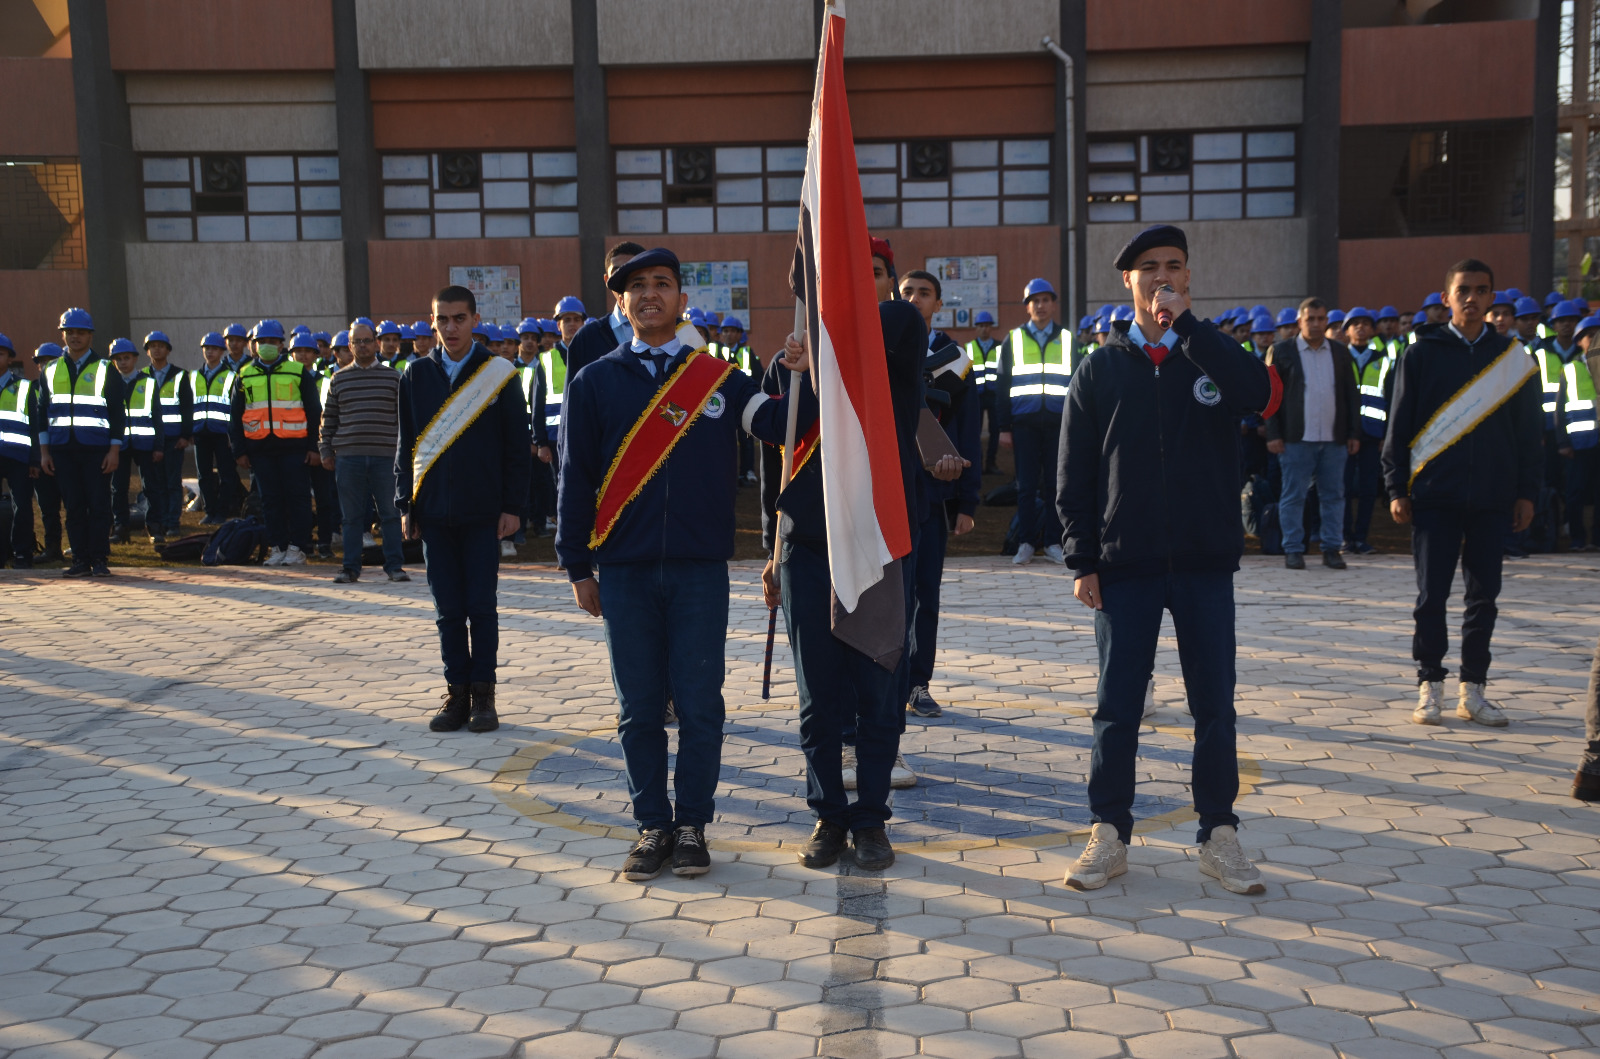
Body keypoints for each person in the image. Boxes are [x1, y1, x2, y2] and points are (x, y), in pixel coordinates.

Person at [556, 248, 805, 882]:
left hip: (699, 570)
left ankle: (691, 825)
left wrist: (797, 371)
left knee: (699, 705)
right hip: (625, 571)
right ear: (621, 303)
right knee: (638, 708)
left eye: (661, 285)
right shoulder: (593, 382)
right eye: (635, 287)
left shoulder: (718, 379)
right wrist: (577, 566)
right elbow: (575, 481)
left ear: (681, 302)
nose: (648, 295)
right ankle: (650, 826)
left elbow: (779, 424)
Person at [1057, 224, 1276, 895]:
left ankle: (1219, 832)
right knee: (1117, 704)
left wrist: (1195, 333)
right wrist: (1082, 558)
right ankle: (1110, 831)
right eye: (1149, 268)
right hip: (1126, 565)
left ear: (1187, 278)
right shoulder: (1101, 367)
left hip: (1206, 561)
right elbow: (1075, 473)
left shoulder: (1209, 355)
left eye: (1174, 266)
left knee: (1215, 704)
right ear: (1127, 281)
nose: (1162, 277)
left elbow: (1257, 395)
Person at [1383, 259, 1541, 728]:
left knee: (1483, 596)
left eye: (1481, 290)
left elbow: (1530, 435)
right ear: (1446, 297)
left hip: (1493, 497)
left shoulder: (1514, 359)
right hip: (1435, 495)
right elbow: (1400, 426)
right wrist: (1396, 486)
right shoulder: (1421, 354)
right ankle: (1429, 685)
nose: (1472, 298)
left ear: (1493, 298)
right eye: (1463, 290)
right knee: (1432, 596)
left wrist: (1527, 492)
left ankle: (1473, 690)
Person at [397, 286, 530, 734]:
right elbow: (407, 446)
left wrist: (513, 506)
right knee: (447, 609)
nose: (450, 327)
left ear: (475, 320)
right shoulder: (414, 375)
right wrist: (405, 504)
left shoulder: (500, 374)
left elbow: (516, 447)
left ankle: (484, 697)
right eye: (443, 320)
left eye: (459, 318)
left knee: (481, 607)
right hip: (433, 513)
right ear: (432, 321)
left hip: (482, 513)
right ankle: (456, 694)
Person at [898, 269, 980, 720]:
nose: (914, 299)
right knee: (889, 593)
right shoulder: (880, 351)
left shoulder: (956, 362)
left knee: (925, 593)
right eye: (906, 292)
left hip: (931, 499)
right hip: (885, 494)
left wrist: (966, 502)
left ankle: (917, 682)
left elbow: (968, 435)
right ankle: (883, 680)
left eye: (923, 293)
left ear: (938, 304)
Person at [1265, 298, 1361, 570]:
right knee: (1294, 495)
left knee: (1334, 495)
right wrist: (1273, 434)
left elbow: (1351, 396)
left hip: (1334, 438)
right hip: (1295, 438)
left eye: (1321, 319)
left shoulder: (1341, 352)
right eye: (1311, 319)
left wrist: (1354, 432)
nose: (1317, 324)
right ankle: (1293, 549)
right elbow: (1271, 396)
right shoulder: (1281, 351)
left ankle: (1332, 548)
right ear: (1300, 322)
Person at [39, 308, 126, 577]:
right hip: (62, 450)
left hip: (96, 450)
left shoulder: (105, 369)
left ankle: (99, 559)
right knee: (73, 506)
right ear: (63, 335)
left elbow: (117, 413)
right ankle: (79, 560)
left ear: (90, 336)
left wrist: (114, 450)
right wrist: (44, 453)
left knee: (98, 505)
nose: (74, 337)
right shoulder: (51, 370)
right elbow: (42, 414)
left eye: (80, 332)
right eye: (70, 332)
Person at [321, 319, 408, 584]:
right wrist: (325, 450)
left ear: (376, 343)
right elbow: (329, 418)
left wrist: (404, 454)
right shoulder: (338, 378)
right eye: (356, 341)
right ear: (349, 345)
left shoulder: (394, 377)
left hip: (385, 458)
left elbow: (405, 419)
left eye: (367, 340)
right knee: (351, 518)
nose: (362, 345)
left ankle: (394, 566)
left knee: (390, 515)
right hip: (349, 457)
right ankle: (350, 568)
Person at [995, 277, 1073, 566]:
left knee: (1056, 486)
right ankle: (1026, 543)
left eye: (1045, 300)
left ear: (1053, 304)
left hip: (1058, 424)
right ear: (1027, 307)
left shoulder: (1067, 339)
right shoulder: (1013, 340)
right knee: (1026, 486)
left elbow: (1076, 385)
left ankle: (1053, 542)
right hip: (1024, 424)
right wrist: (1003, 427)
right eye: (1034, 301)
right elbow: (1002, 386)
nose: (1040, 306)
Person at [230, 319, 320, 566]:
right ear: (254, 346)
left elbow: (314, 412)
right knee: (269, 500)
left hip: (295, 449)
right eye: (262, 342)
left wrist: (314, 447)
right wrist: (239, 450)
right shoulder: (244, 375)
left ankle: (298, 547)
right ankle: (277, 547)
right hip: (260, 450)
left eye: (272, 342)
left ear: (282, 345)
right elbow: (235, 416)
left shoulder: (298, 372)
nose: (267, 346)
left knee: (297, 499)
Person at [1342, 307, 1392, 555]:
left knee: (1368, 488)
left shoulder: (1383, 359)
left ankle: (1361, 537)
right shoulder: (1338, 356)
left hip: (1373, 433)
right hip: (1344, 433)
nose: (1360, 327)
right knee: (1342, 487)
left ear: (1373, 330)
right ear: (1347, 330)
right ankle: (1344, 537)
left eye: (1365, 323)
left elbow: (1391, 397)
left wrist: (1386, 433)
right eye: (1355, 323)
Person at [564, 241, 647, 378]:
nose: (623, 277)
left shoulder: (674, 330)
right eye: (617, 271)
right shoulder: (586, 338)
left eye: (632, 270)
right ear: (606, 280)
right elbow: (574, 397)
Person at [140, 331, 193, 544]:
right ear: (147, 351)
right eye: (152, 346)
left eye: (161, 346)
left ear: (168, 350)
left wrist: (186, 435)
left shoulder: (179, 375)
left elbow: (188, 407)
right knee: (155, 483)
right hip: (150, 438)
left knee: (172, 483)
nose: (157, 349)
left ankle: (173, 523)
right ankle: (159, 522)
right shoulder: (141, 376)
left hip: (173, 438)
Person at [109, 338, 157, 544]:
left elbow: (157, 416)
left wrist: (159, 445)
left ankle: (154, 525)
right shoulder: (109, 384)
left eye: (126, 358)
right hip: (119, 444)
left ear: (135, 358)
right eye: (118, 359)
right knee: (118, 487)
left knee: (151, 486)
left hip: (145, 443)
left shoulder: (148, 382)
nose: (122, 362)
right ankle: (121, 526)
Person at [0, 333, 42, 568]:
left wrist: (35, 460)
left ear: (9, 358)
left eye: (1, 353)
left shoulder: (24, 388)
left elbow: (34, 427)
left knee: (23, 507)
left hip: (18, 457)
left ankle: (22, 553)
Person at [1560, 313, 1599, 550]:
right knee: (1575, 492)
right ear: (1579, 341)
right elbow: (1558, 408)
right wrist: (1563, 442)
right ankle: (1577, 539)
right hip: (1579, 443)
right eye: (1590, 335)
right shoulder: (1571, 370)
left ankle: (1597, 539)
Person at [191, 333, 239, 524]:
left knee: (227, 474)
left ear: (221, 352)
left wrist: (232, 433)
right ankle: (209, 511)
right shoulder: (193, 376)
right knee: (203, 474)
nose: (209, 352)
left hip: (223, 434)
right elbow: (188, 406)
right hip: (200, 432)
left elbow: (236, 408)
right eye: (206, 348)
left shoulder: (231, 376)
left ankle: (222, 511)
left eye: (214, 349)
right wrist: (190, 431)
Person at [29, 342, 64, 562]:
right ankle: (53, 548)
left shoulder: (66, 387)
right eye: (41, 362)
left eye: (49, 361)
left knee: (76, 504)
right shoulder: (28, 390)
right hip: (39, 457)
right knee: (47, 506)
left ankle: (84, 548)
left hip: (67, 453)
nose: (44, 365)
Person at [967, 311, 1002, 474]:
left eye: (987, 326)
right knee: (975, 431)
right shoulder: (969, 348)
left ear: (991, 327)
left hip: (994, 396)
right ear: (976, 329)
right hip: (977, 396)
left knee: (995, 431)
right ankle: (978, 464)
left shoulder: (1000, 347)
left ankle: (991, 463)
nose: (984, 329)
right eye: (981, 326)